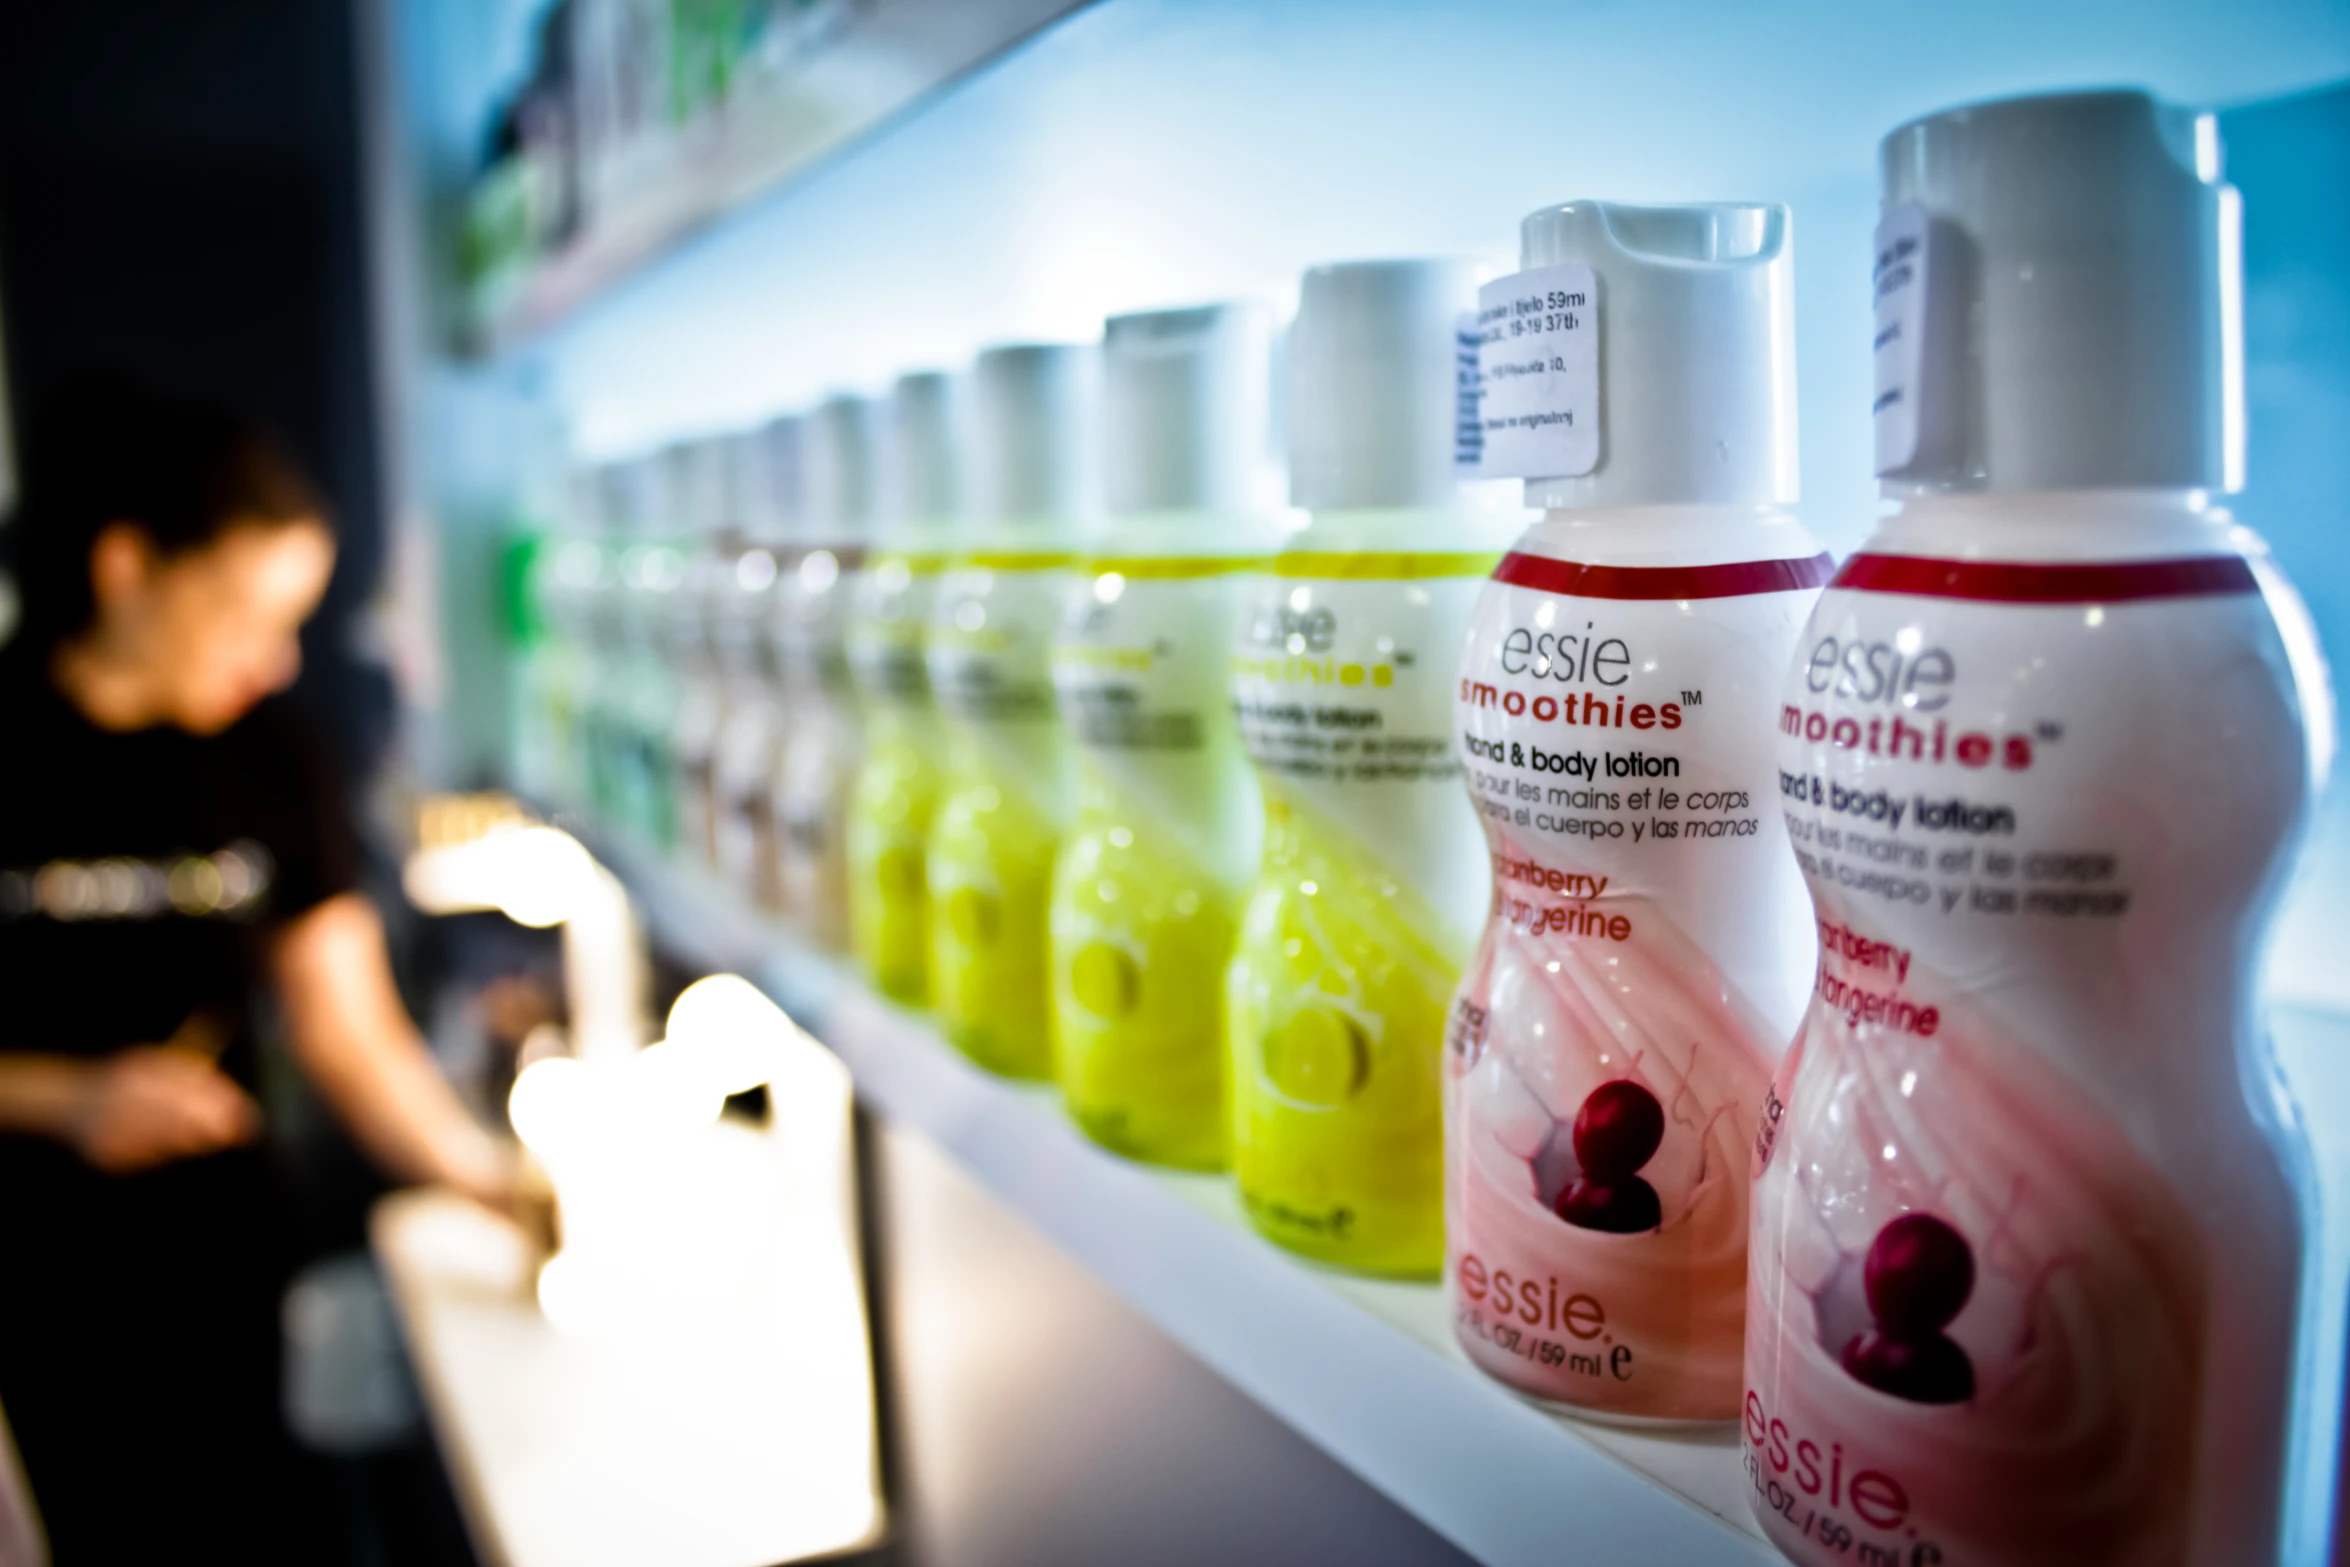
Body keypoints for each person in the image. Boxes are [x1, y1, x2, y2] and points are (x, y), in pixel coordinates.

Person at [0, 378, 513, 1562]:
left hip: (216, 1259)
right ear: (127, 568)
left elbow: (348, 1026)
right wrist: (65, 1099)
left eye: (293, 624)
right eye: (245, 615)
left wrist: (485, 1177)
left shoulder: (274, 758)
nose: (275, 662)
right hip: (27, 1269)